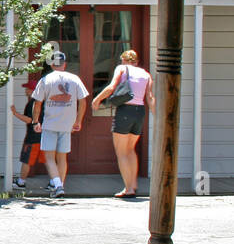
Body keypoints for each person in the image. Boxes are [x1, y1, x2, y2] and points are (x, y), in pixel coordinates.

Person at [92, 49, 154, 198]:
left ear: (124, 60)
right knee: (130, 150)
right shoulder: (146, 74)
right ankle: (133, 184)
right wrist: (156, 115)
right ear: (136, 61)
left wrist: (97, 99)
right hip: (140, 112)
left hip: (125, 110)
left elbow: (112, 87)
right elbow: (150, 97)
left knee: (121, 152)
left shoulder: (121, 69)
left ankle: (128, 189)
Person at [30, 50, 89, 197]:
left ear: (51, 64)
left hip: (50, 123)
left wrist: (35, 121)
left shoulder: (45, 80)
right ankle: (60, 186)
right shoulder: (74, 79)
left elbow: (37, 103)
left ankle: (57, 186)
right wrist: (78, 120)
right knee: (62, 158)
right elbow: (83, 101)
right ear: (65, 64)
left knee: (50, 157)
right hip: (67, 124)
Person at [9, 78, 45, 189]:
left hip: (33, 138)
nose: (26, 90)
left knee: (26, 160)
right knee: (49, 161)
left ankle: (21, 182)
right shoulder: (40, 102)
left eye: (28, 88)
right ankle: (55, 182)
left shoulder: (32, 103)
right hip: (43, 137)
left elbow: (29, 120)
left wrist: (15, 113)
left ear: (32, 90)